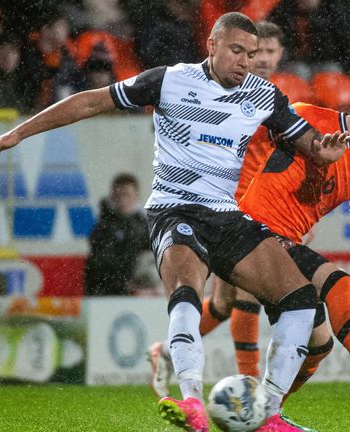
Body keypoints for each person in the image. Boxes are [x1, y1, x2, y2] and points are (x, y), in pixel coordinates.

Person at [0, 12, 348, 432]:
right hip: (175, 207)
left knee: (299, 299)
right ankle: (191, 402)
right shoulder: (168, 80)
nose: (245, 61)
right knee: (186, 292)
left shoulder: (264, 95)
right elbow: (91, 100)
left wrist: (324, 151)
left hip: (226, 214)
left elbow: (311, 144)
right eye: (237, 51)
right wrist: (19, 133)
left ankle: (269, 414)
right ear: (212, 45)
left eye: (252, 54)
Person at [151, 73, 350, 427]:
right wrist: (230, 207)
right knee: (335, 284)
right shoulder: (306, 117)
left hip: (285, 244)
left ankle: (259, 413)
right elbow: (241, 148)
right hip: (249, 233)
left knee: (319, 345)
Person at [149, 20, 286, 392]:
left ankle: (164, 351)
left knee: (225, 304)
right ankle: (251, 386)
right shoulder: (217, 90)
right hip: (226, 206)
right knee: (245, 297)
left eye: (265, 52)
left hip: (261, 207)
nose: (258, 60)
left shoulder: (270, 99)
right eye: (243, 52)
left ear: (276, 56)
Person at [84, 173, 151, 296]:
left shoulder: (144, 226)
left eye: (126, 194)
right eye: (118, 194)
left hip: (137, 294)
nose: (122, 199)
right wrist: (124, 281)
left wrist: (142, 281)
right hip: (105, 292)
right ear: (112, 195)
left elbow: (152, 257)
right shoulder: (103, 227)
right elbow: (100, 262)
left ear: (136, 196)